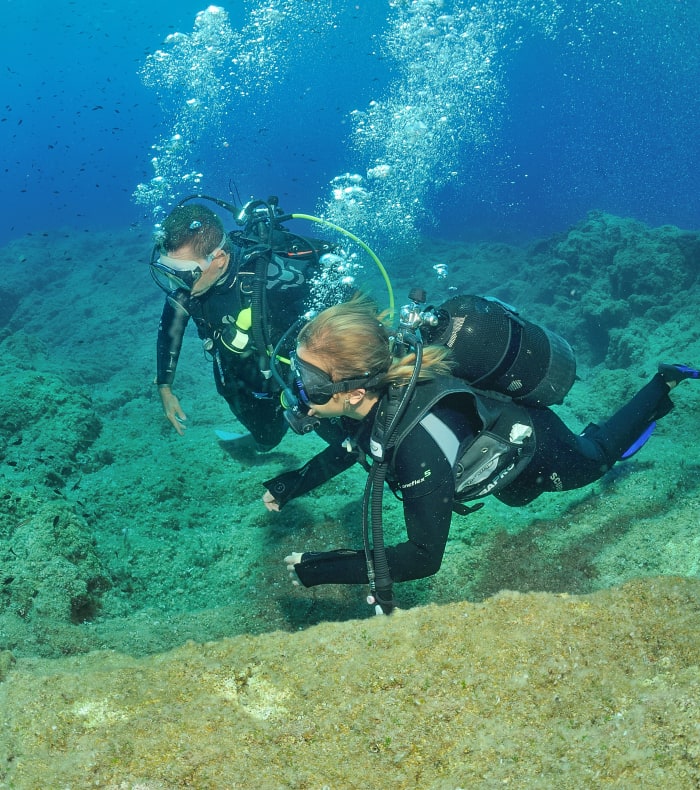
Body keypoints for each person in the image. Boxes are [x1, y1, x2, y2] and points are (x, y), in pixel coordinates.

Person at [261, 293, 698, 607]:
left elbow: (422, 557)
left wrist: (318, 569)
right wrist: (289, 486)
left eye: (312, 385)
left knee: (597, 457)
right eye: (299, 375)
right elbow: (353, 446)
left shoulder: (416, 442)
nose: (300, 393)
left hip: (536, 449)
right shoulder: (376, 400)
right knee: (523, 490)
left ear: (355, 391)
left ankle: (664, 382)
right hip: (490, 457)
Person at [152, 197, 335, 451]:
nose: (176, 286)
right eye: (166, 271)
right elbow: (170, 328)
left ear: (220, 259)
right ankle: (267, 436)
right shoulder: (189, 288)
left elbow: (342, 317)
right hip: (236, 376)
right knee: (267, 439)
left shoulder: (273, 279)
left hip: (289, 377)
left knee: (342, 437)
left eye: (183, 275)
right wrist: (165, 387)